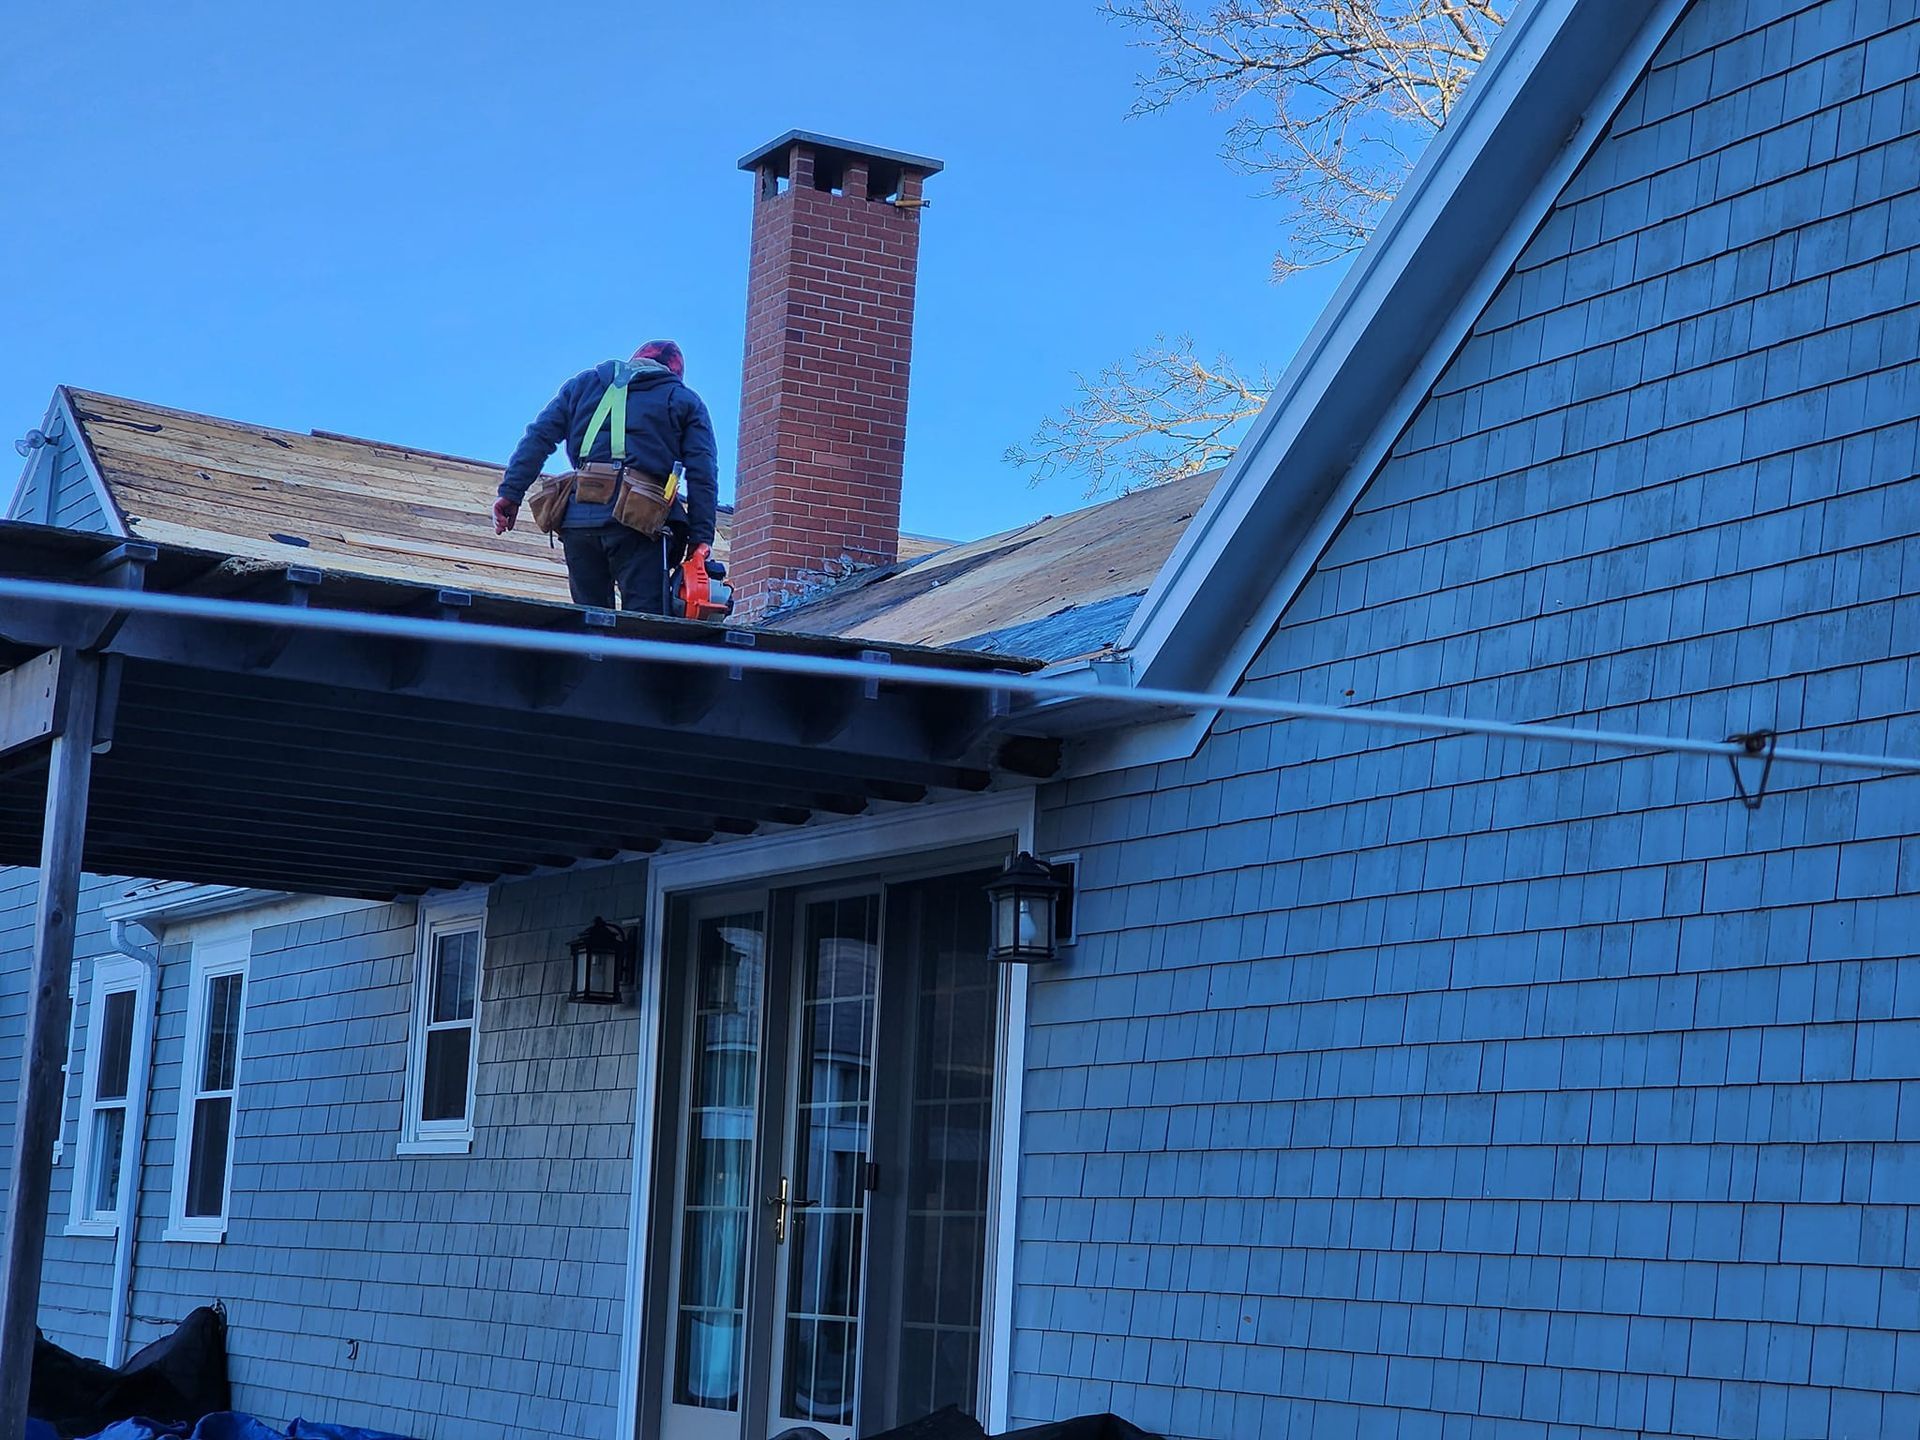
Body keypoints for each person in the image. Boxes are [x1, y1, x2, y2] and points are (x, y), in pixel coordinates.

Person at [493, 340, 719, 613]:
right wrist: (700, 539)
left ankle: (592, 655)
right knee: (644, 626)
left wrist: (510, 494)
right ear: (673, 373)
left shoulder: (583, 385)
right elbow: (702, 473)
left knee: (591, 623)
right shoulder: (682, 399)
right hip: (638, 523)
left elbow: (538, 437)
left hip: (578, 519)